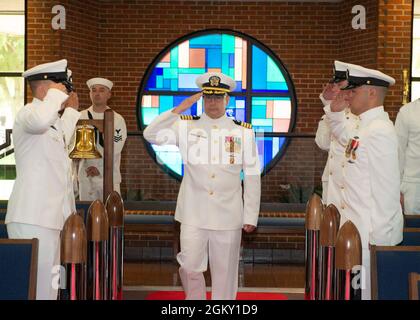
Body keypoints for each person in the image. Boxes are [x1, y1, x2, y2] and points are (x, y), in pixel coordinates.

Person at [143, 72, 261, 300]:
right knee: (189, 266)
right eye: (208, 97)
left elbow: (253, 175)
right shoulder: (185, 126)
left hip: (228, 214)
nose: (213, 102)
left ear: (227, 99)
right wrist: (179, 108)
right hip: (193, 212)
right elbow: (151, 134)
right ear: (202, 99)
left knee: (225, 272)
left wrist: (251, 215)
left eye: (218, 97)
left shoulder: (243, 131)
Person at [325, 64, 403, 300]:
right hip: (355, 233)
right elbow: (344, 138)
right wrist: (336, 113)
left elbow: (387, 192)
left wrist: (378, 245)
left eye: (353, 91)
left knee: (365, 294)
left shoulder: (380, 131)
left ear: (371, 93)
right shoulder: (364, 126)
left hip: (370, 237)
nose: (347, 96)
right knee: (353, 294)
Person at [5, 59, 80, 300]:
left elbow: (63, 137)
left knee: (50, 286)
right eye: (62, 87)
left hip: (51, 218)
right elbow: (39, 121)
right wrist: (55, 98)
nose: (66, 92)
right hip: (32, 217)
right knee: (34, 288)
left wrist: (71, 111)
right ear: (45, 89)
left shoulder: (53, 122)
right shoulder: (28, 114)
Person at [315, 61, 360, 207]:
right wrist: (329, 106)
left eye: (341, 87)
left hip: (350, 189)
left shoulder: (358, 116)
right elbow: (322, 143)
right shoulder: (334, 114)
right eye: (336, 87)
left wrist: (331, 109)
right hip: (332, 186)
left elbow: (346, 142)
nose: (337, 91)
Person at [76, 77, 127, 201]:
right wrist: (90, 166)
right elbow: (73, 145)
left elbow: (116, 147)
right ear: (90, 94)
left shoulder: (117, 119)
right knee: (87, 216)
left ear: (109, 94)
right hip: (86, 174)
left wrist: (99, 167)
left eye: (101, 90)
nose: (97, 94)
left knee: (110, 216)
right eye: (93, 90)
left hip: (108, 176)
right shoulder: (79, 116)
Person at [395, 98, 420, 215]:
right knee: (414, 229)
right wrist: (396, 189)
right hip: (414, 186)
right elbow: (398, 151)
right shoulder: (408, 111)